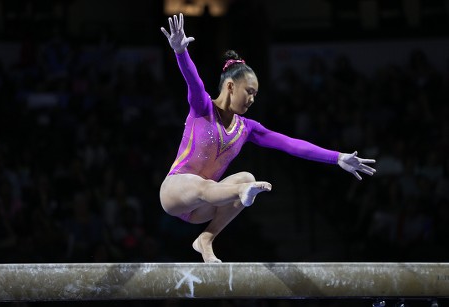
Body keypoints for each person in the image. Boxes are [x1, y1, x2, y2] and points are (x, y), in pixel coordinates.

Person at [160, 13, 376, 263]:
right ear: (230, 86)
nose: (252, 99)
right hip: (176, 192)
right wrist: (180, 52)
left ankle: (206, 239)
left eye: (256, 94)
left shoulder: (247, 128)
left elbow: (291, 144)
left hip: (202, 209)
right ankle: (241, 191)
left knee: (247, 178)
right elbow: (193, 80)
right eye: (249, 92)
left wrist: (336, 158)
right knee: (212, 186)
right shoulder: (203, 108)